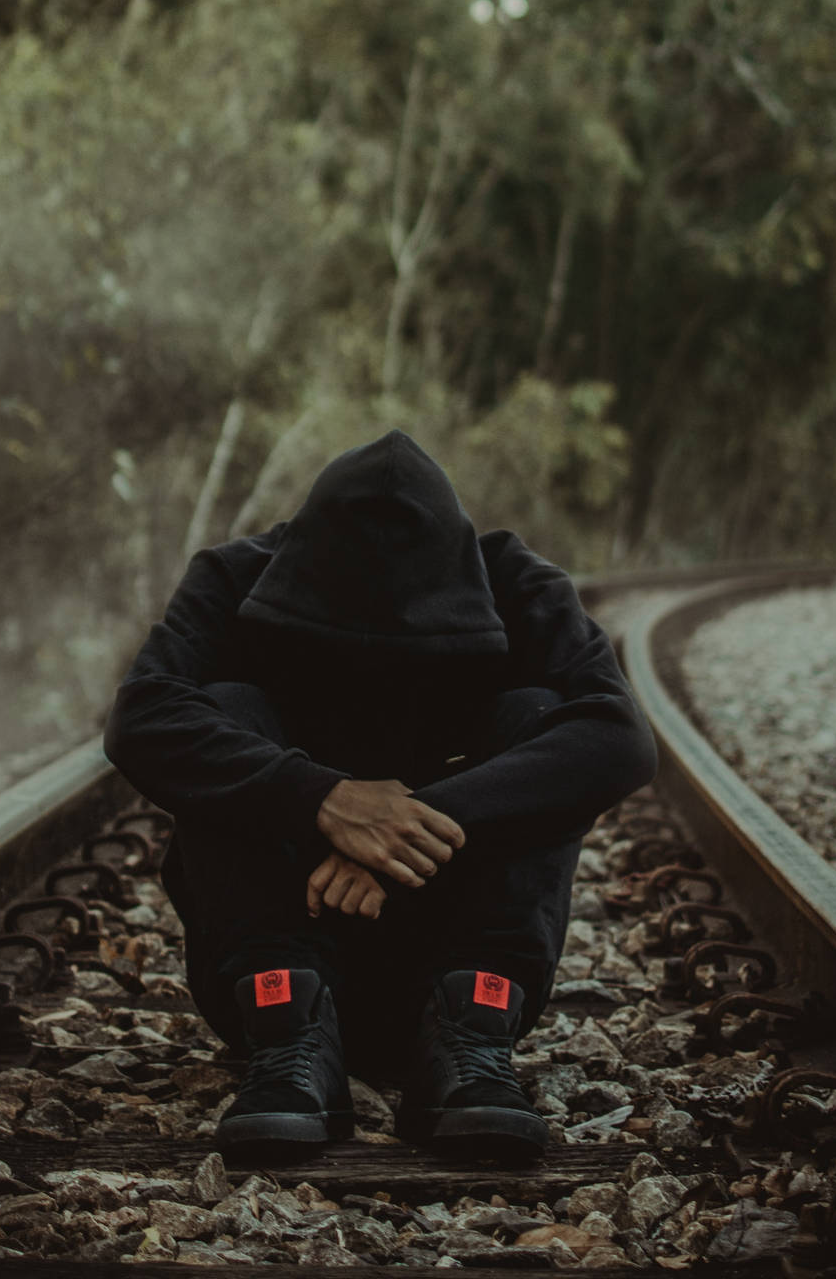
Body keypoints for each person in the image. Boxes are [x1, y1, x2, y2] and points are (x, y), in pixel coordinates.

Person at [103, 429, 657, 1158]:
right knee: (224, 705)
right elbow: (139, 717)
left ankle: (467, 1039)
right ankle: (292, 1040)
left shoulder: (516, 583)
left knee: (536, 715)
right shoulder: (234, 578)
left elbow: (620, 737)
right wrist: (321, 799)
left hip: (461, 986)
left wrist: (410, 826)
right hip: (268, 984)